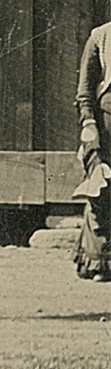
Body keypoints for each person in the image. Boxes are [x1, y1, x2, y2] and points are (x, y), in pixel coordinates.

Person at [72, 22, 111, 282]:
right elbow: (85, 90)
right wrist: (89, 123)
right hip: (107, 126)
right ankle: (101, 261)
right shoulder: (101, 36)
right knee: (103, 189)